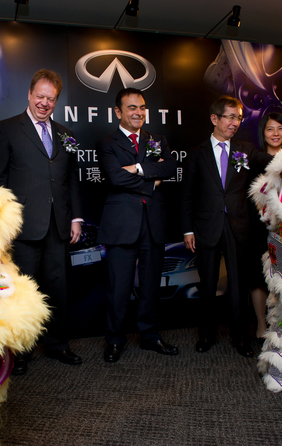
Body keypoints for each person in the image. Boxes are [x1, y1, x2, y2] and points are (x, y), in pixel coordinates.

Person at [0, 69, 83, 375]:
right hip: (23, 227)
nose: (44, 103)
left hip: (58, 226)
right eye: (39, 96)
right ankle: (21, 352)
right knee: (22, 292)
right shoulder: (7, 129)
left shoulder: (65, 134)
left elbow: (70, 181)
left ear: (56, 100)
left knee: (58, 288)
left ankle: (58, 344)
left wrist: (76, 218)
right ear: (29, 95)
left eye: (50, 98)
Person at [181, 95, 271, 357]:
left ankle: (240, 337)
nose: (235, 123)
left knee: (237, 287)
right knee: (207, 285)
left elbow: (269, 161)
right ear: (215, 119)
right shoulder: (196, 154)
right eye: (230, 117)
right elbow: (187, 195)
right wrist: (187, 230)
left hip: (237, 226)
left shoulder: (245, 149)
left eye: (239, 118)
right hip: (206, 228)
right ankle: (206, 335)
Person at [96, 88, 179, 363]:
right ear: (118, 112)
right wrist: (151, 179)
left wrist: (138, 169)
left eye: (142, 107)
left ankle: (150, 336)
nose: (138, 112)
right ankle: (115, 339)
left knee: (151, 285)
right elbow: (116, 179)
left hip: (152, 223)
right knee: (118, 287)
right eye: (132, 108)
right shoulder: (107, 143)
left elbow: (170, 168)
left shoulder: (158, 139)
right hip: (122, 224)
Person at [249, 113, 282, 339]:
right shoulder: (255, 158)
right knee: (259, 277)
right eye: (270, 129)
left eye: (280, 129)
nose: (275, 134)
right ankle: (262, 325)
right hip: (259, 225)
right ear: (263, 132)